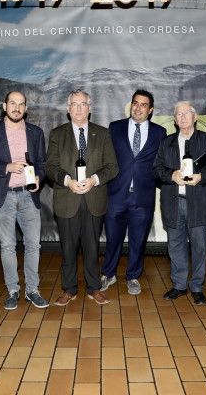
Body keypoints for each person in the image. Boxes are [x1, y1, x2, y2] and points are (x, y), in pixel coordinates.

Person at [46, 89, 118, 306]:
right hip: (67, 199)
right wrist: (67, 181)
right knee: (67, 249)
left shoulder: (103, 134)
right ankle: (69, 289)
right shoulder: (57, 134)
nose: (78, 108)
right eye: (74, 104)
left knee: (92, 247)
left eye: (82, 104)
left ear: (90, 108)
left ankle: (94, 288)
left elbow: (112, 167)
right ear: (68, 110)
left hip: (94, 199)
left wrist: (94, 179)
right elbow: (50, 167)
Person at [153, 101, 206, 304]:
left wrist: (201, 176)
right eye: (178, 114)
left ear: (194, 117)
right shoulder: (166, 143)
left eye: (186, 113)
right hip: (174, 202)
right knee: (175, 245)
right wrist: (170, 175)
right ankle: (179, 285)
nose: (182, 117)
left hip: (198, 202)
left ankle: (197, 286)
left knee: (199, 246)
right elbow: (156, 170)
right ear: (174, 120)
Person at [0, 91, 48, 310]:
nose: (17, 108)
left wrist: (39, 176)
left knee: (33, 245)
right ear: (4, 106)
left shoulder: (35, 132)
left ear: (26, 108)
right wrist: (7, 168)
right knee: (8, 246)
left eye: (21, 104)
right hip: (4, 195)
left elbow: (42, 163)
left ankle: (32, 290)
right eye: (13, 103)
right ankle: (13, 290)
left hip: (29, 195)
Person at [100, 89, 166, 295]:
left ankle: (133, 276)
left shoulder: (159, 132)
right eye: (135, 103)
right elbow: (106, 159)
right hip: (116, 195)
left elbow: (160, 164)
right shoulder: (115, 127)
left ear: (151, 109)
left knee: (138, 241)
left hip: (143, 197)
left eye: (143, 105)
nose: (138, 108)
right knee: (113, 239)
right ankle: (108, 274)